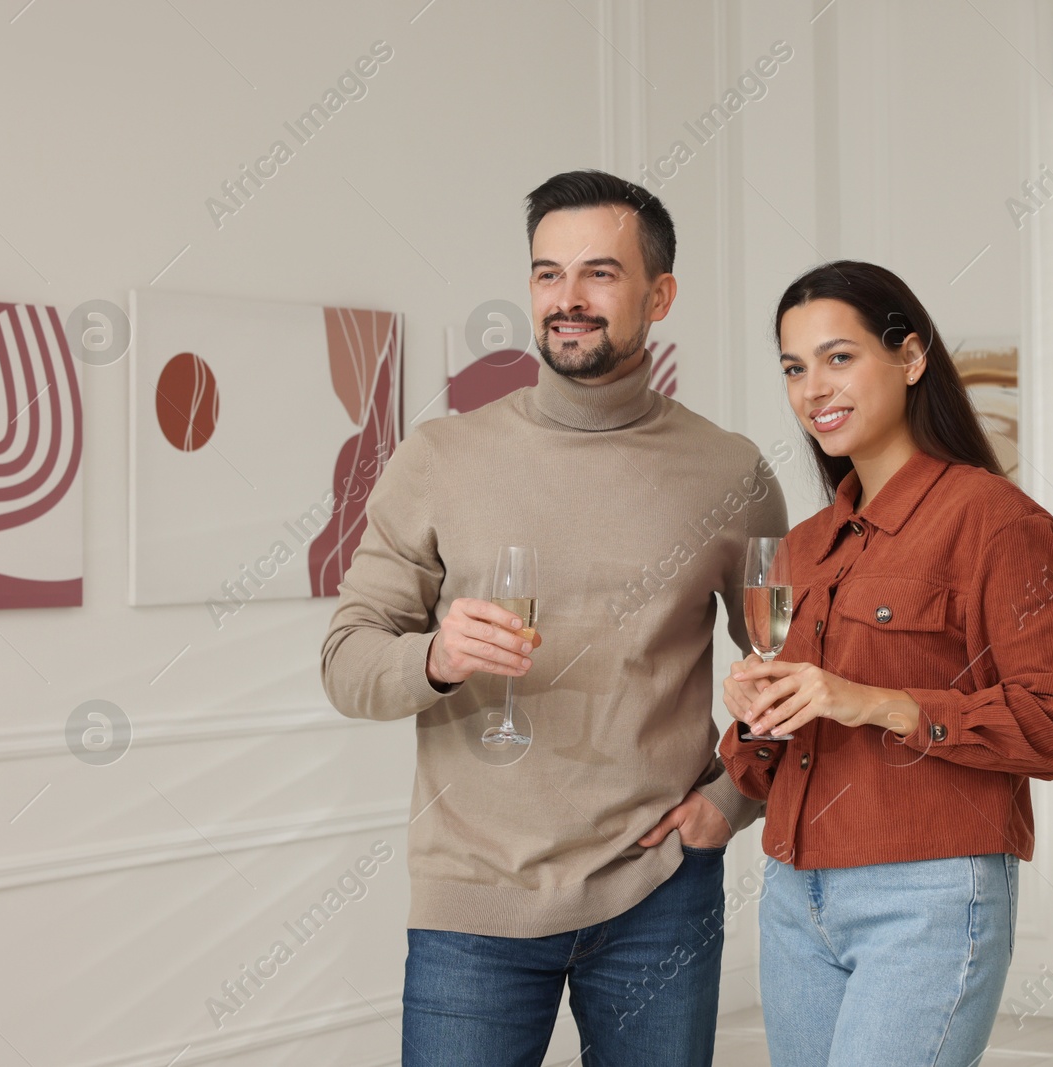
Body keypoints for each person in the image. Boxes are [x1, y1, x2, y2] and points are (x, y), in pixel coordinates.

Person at [321, 170, 788, 1067]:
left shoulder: (728, 470)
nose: (566, 299)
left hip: (661, 895)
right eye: (546, 273)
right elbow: (347, 660)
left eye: (599, 274)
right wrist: (435, 656)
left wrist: (734, 799)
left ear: (660, 295)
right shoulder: (441, 456)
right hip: (475, 902)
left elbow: (794, 664)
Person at [719, 261, 1053, 1067]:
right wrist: (754, 715)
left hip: (926, 895)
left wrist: (874, 701)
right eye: (794, 367)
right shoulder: (804, 545)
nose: (813, 387)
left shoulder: (998, 523)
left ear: (911, 357)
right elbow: (759, 769)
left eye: (838, 357)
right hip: (794, 895)